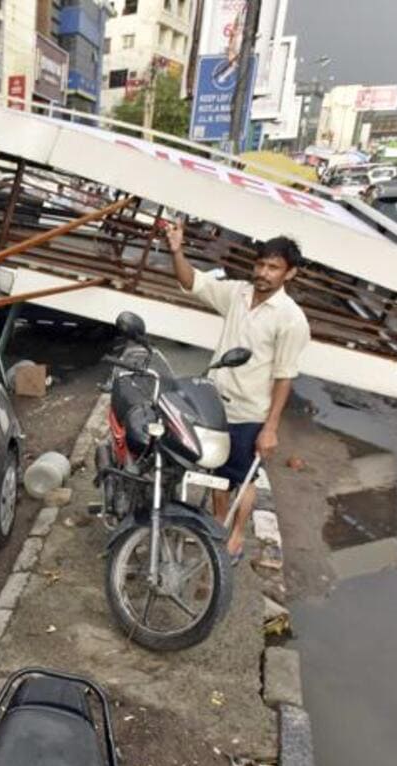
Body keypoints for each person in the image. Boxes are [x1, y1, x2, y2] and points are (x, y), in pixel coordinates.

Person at [165, 223, 310, 562]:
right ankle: (217, 523)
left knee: (243, 479)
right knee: (217, 473)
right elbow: (193, 282)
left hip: (250, 414)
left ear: (290, 273)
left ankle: (237, 535)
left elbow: (284, 377)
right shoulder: (238, 294)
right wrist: (176, 250)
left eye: (273, 267)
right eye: (260, 264)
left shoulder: (291, 320)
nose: (263, 273)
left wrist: (270, 428)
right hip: (215, 403)